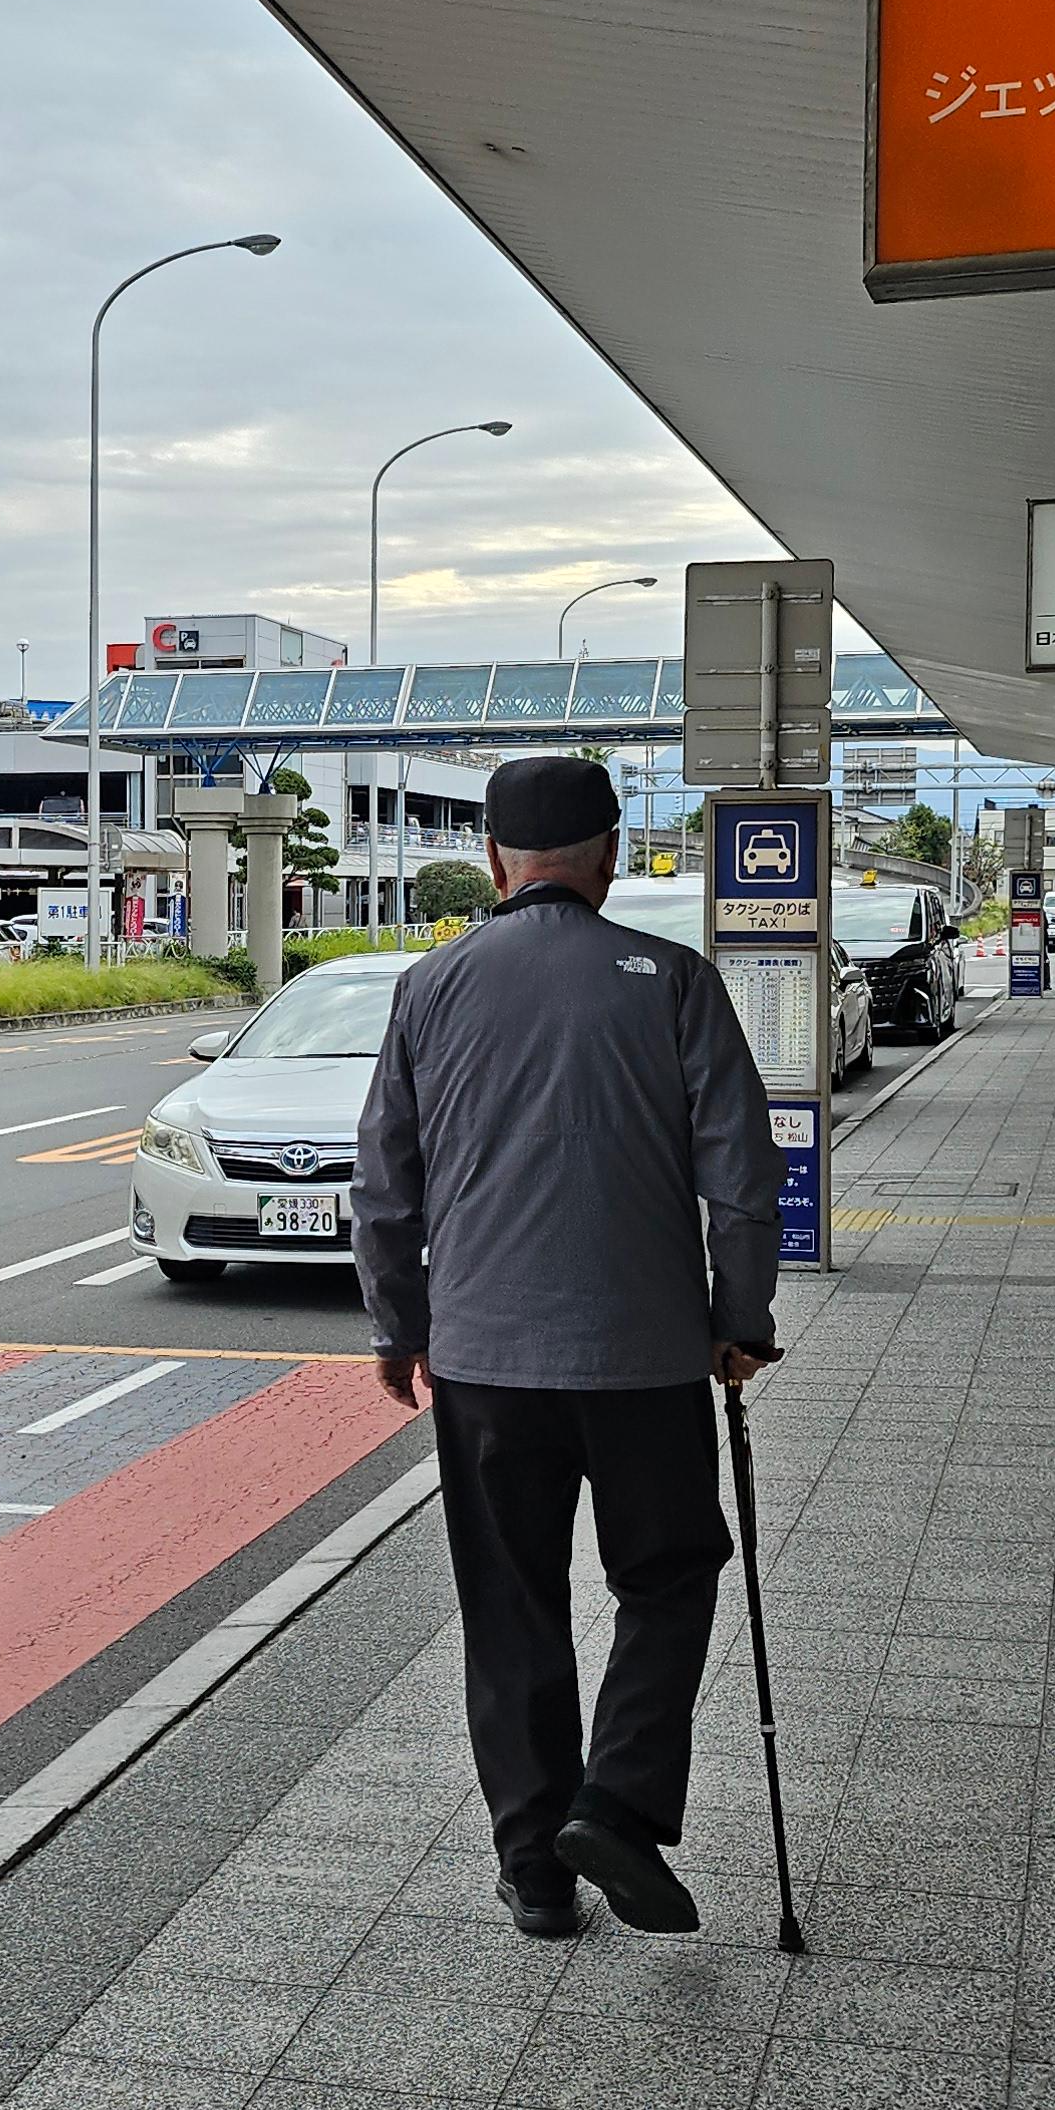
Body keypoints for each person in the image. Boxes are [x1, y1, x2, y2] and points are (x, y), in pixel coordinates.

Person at [349, 754, 783, 1938]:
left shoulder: (429, 987)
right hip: (647, 1357)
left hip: (484, 1361)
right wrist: (741, 1319)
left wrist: (398, 1324)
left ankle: (536, 1871)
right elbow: (743, 1174)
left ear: (495, 859)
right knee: (670, 1574)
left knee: (511, 1604)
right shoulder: (675, 980)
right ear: (610, 857)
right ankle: (620, 1804)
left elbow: (384, 1186)